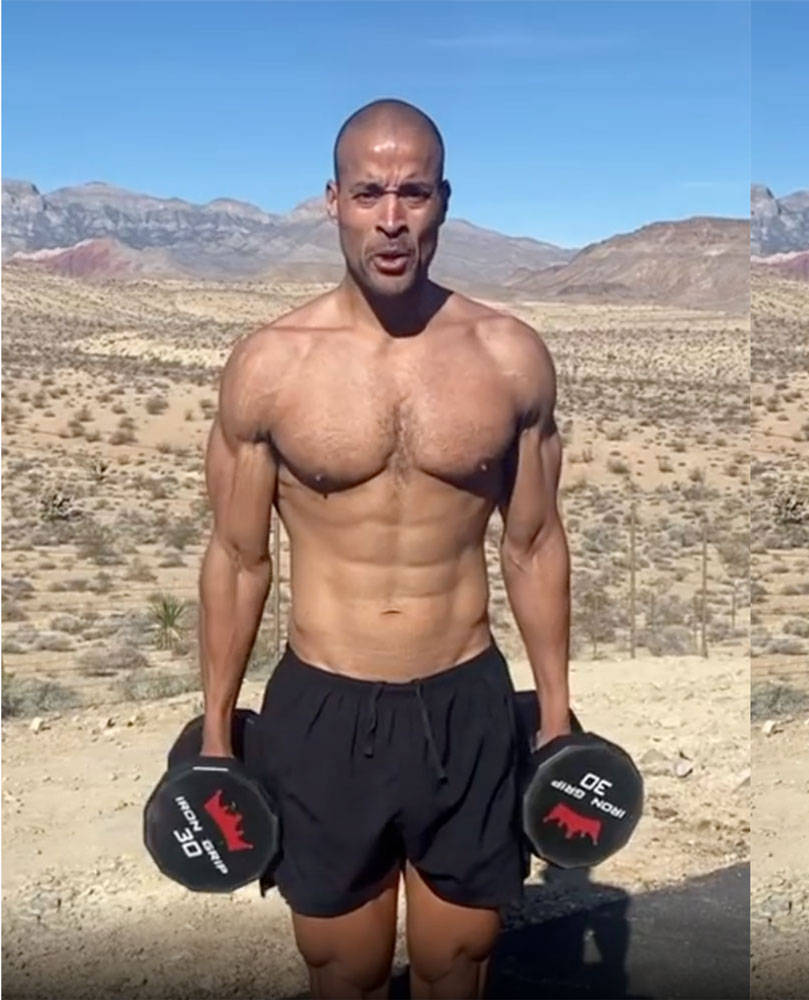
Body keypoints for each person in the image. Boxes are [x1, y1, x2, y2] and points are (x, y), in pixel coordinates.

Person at [196, 98, 572, 999]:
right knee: (346, 969)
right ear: (332, 200)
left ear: (445, 200)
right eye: (370, 193)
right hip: (322, 705)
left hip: (466, 700)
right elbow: (240, 559)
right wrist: (216, 731)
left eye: (414, 193)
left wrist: (556, 709)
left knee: (458, 965)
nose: (393, 219)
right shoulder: (270, 364)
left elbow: (534, 542)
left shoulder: (511, 355)